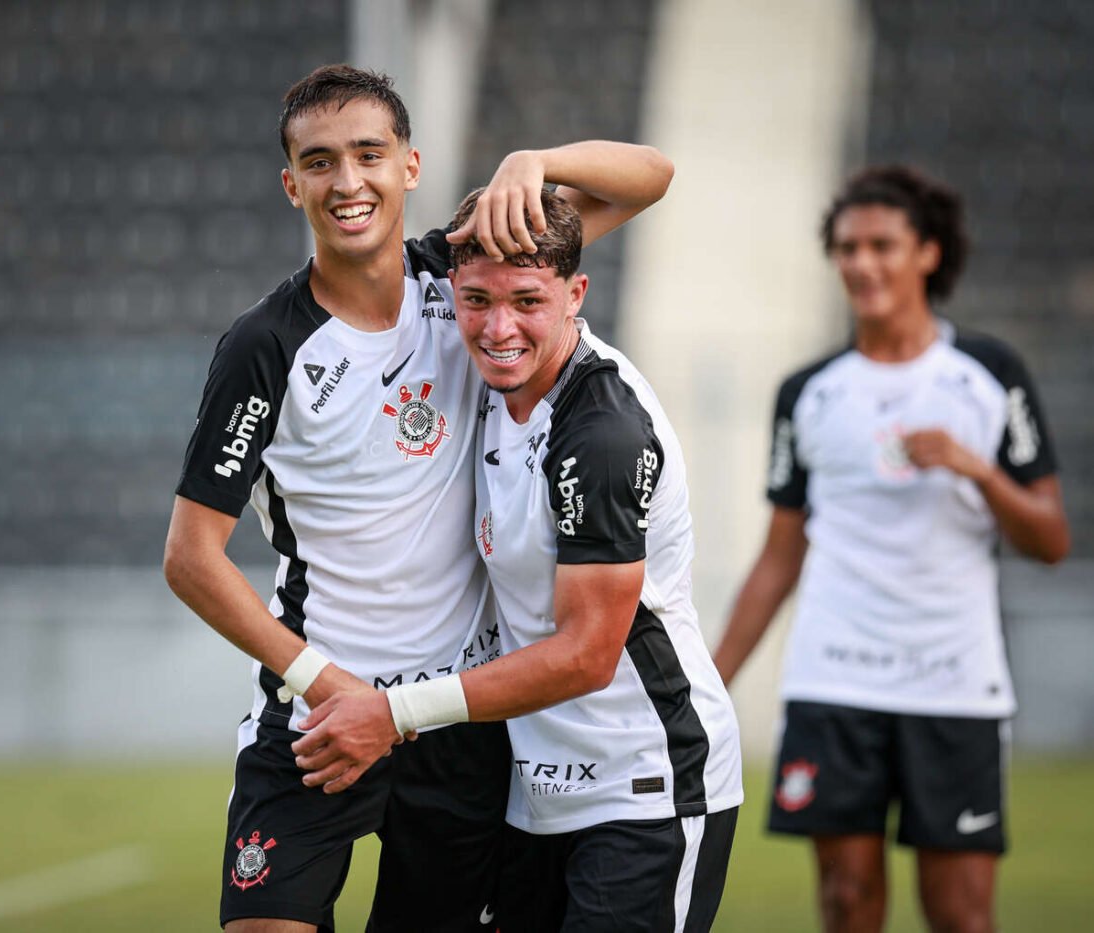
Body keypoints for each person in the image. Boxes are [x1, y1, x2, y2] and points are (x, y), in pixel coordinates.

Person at [163, 63, 673, 932]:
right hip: (317, 712)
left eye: (369, 153)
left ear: (410, 165)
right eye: (320, 162)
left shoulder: (468, 277)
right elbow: (190, 557)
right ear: (292, 185)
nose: (348, 181)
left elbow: (652, 176)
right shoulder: (264, 345)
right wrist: (325, 686)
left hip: (456, 724)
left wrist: (532, 161)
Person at [297, 188, 743, 932]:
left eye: (528, 301)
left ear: (576, 295)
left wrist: (394, 713)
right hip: (534, 801)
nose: (499, 328)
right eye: (477, 300)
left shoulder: (601, 434)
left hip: (645, 791)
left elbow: (586, 655)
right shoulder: (494, 379)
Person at [710, 165, 1070, 933]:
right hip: (835, 677)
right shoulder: (809, 390)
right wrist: (712, 685)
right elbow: (780, 557)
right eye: (846, 247)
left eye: (882, 244)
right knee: (846, 902)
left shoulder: (989, 376)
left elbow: (1049, 539)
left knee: (961, 914)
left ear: (929, 254)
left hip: (953, 682)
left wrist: (977, 468)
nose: (862, 263)